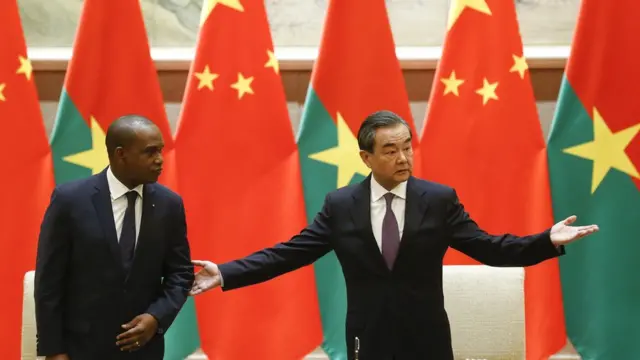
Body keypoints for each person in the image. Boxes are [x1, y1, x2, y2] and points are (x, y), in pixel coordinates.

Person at [189, 110, 599, 360]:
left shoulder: (438, 200)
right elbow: (288, 253)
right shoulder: (341, 204)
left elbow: (489, 248)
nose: (403, 158)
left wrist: (546, 240)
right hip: (368, 338)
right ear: (366, 157)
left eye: (407, 147)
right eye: (390, 150)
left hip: (427, 339)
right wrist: (224, 273)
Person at [34, 115, 194, 360]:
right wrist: (54, 350)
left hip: (143, 349)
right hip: (81, 349)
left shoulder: (169, 205)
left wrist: (156, 317)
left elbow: (181, 274)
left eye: (160, 150)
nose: (160, 160)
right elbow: (49, 282)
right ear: (121, 154)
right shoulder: (70, 200)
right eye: (150, 152)